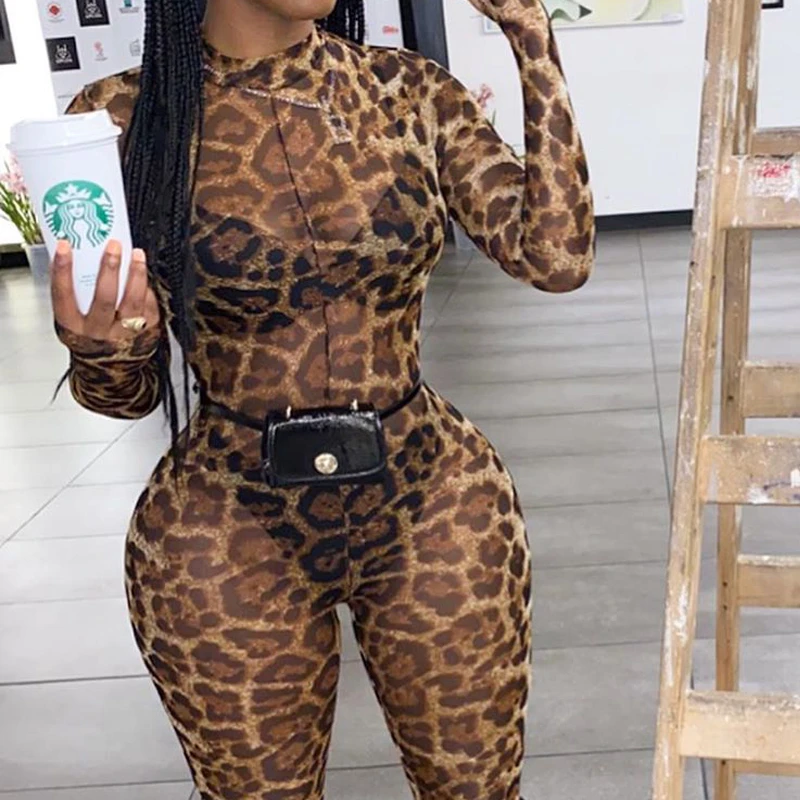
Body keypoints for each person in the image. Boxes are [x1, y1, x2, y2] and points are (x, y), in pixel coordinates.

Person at [50, 0, 594, 797]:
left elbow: (557, 256)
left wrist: (531, 37)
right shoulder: (121, 119)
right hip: (224, 527)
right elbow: (124, 396)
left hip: (433, 501)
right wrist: (102, 345)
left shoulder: (407, 91)